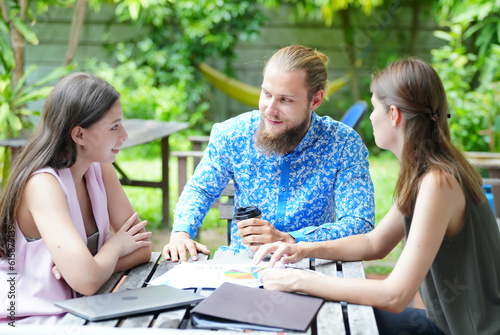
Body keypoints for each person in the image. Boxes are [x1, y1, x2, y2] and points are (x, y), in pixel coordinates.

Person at [253, 59, 500, 335]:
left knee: (332, 319)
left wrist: (297, 281)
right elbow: (375, 243)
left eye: (374, 107)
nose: (371, 117)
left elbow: (396, 296)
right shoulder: (427, 172)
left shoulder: (438, 182)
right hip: (447, 326)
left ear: (393, 114)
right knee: (336, 315)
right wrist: (301, 248)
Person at [163, 45, 374, 262]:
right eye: (266, 94)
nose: (269, 109)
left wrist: (291, 239)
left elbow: (360, 223)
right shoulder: (232, 134)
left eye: (285, 100)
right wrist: (181, 232)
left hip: (314, 264)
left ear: (316, 100)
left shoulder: (343, 144)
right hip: (243, 264)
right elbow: (200, 189)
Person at [0, 72, 152, 325]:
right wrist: (113, 248)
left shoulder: (99, 168)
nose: (124, 135)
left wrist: (92, 266)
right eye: (114, 126)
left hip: (80, 310)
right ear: (79, 135)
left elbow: (142, 248)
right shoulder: (43, 185)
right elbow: (88, 281)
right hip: (32, 318)